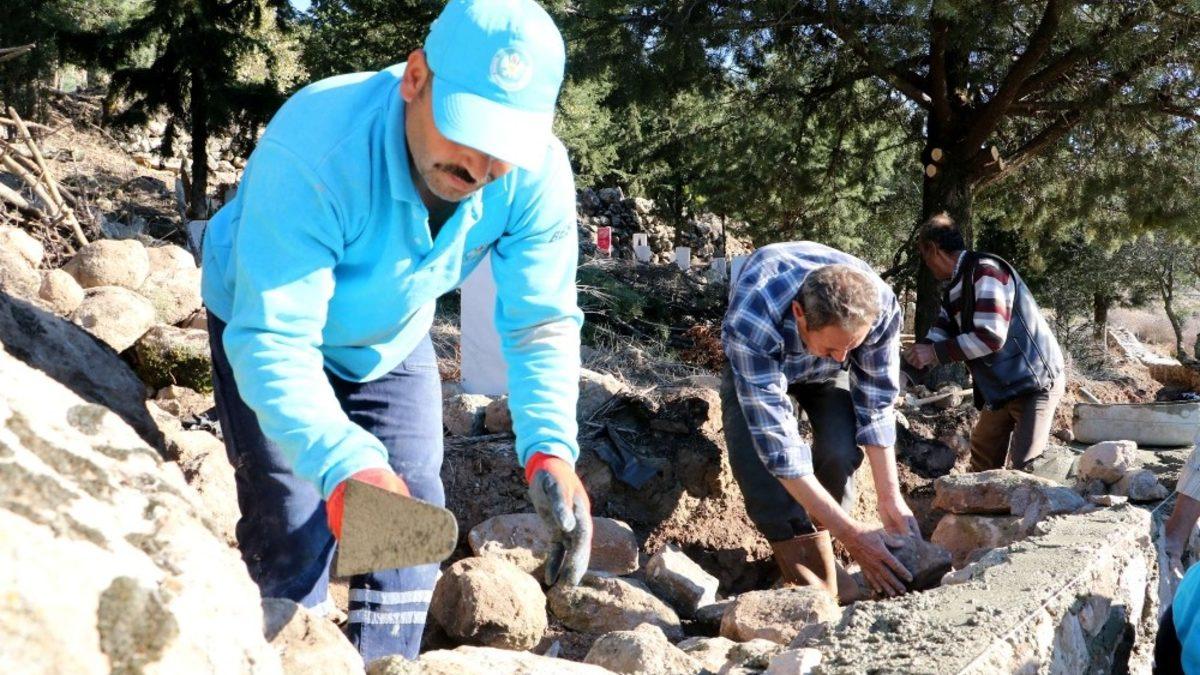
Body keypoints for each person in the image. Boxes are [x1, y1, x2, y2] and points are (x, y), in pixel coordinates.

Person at [199, 0, 591, 661]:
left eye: (504, 147)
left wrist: (550, 447)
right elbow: (275, 341)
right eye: (467, 129)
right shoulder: (318, 148)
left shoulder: (534, 175)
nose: (480, 167)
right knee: (293, 528)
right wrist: (345, 464)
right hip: (268, 321)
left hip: (390, 335)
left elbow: (540, 320)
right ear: (416, 78)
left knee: (409, 533)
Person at [722, 242, 920, 600]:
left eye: (851, 348)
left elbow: (876, 403)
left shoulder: (880, 307)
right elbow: (779, 447)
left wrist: (890, 500)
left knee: (839, 450)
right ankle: (814, 578)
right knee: (758, 471)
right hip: (764, 365)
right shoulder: (754, 318)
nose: (842, 357)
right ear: (799, 313)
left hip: (824, 377)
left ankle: (831, 538)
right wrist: (853, 535)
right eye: (832, 348)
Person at [905, 214, 1065, 473]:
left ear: (933, 249)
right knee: (983, 454)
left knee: (1025, 467)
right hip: (1003, 386)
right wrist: (909, 368)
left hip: (1034, 381)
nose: (926, 265)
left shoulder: (986, 271)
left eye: (924, 256)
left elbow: (990, 337)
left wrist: (933, 352)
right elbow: (941, 331)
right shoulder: (956, 286)